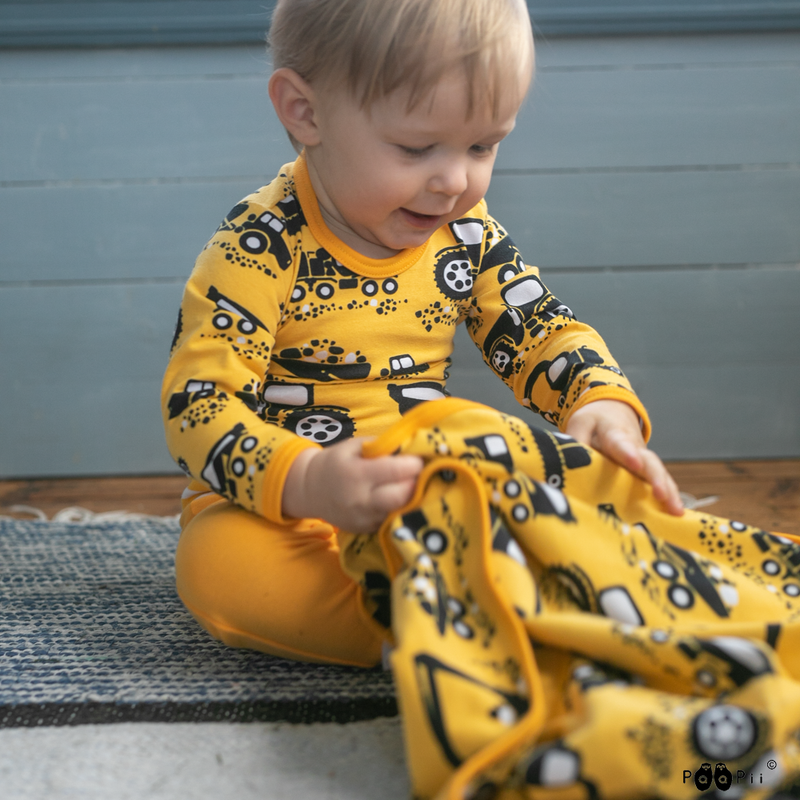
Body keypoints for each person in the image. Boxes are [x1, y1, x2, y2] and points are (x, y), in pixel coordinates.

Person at [161, 0, 682, 671]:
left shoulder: (465, 233)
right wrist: (309, 480)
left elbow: (537, 330)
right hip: (288, 505)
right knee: (217, 567)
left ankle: (602, 581)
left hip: (430, 478)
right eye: (415, 148)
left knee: (579, 470)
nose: (455, 181)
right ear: (305, 112)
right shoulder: (259, 245)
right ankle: (422, 626)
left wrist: (598, 404)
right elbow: (199, 407)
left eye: (483, 146)